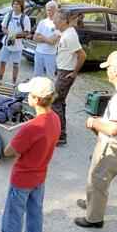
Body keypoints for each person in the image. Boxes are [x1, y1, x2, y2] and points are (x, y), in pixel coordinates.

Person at [0, 77, 60, 232]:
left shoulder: (31, 127)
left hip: (22, 178)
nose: (27, 96)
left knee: (13, 214)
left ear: (36, 99)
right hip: (40, 175)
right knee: (35, 210)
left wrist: (17, 151)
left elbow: (8, 151)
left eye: (29, 94)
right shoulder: (55, 119)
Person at [74, 50, 117, 229]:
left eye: (108, 68)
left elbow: (114, 129)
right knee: (96, 178)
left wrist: (93, 122)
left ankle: (94, 219)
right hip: (109, 144)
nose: (106, 71)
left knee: (99, 181)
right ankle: (92, 204)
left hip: (111, 146)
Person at [52, 9, 86, 146]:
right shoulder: (66, 32)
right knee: (60, 102)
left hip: (66, 72)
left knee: (55, 102)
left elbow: (82, 55)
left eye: (56, 19)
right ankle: (60, 130)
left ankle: (61, 136)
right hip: (63, 71)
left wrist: (75, 72)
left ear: (63, 21)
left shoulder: (69, 36)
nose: (54, 21)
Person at [0, 0, 31, 85]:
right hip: (7, 42)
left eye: (17, 4)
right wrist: (9, 34)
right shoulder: (9, 14)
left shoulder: (25, 18)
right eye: (14, 4)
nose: (15, 6)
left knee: (15, 65)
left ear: (21, 6)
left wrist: (16, 35)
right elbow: (3, 27)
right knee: (2, 62)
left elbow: (27, 32)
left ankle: (13, 82)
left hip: (18, 45)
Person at [33, 1, 59, 79]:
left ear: (55, 11)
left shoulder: (58, 24)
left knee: (50, 77)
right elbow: (35, 38)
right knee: (37, 76)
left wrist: (41, 37)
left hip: (50, 54)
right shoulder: (42, 22)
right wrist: (47, 39)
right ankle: (37, 91)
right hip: (38, 52)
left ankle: (50, 91)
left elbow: (52, 42)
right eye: (47, 10)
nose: (48, 12)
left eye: (50, 10)